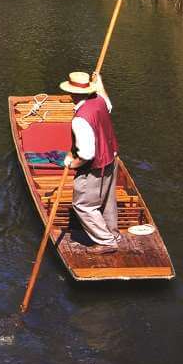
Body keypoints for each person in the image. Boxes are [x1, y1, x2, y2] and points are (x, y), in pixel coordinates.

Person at [58, 70, 120, 255]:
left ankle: (106, 241)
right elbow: (108, 103)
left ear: (72, 94)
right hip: (111, 159)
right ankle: (113, 234)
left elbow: (86, 154)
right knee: (107, 200)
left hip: (94, 168)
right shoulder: (99, 101)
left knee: (83, 205)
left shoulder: (80, 119)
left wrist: (71, 164)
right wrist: (99, 82)